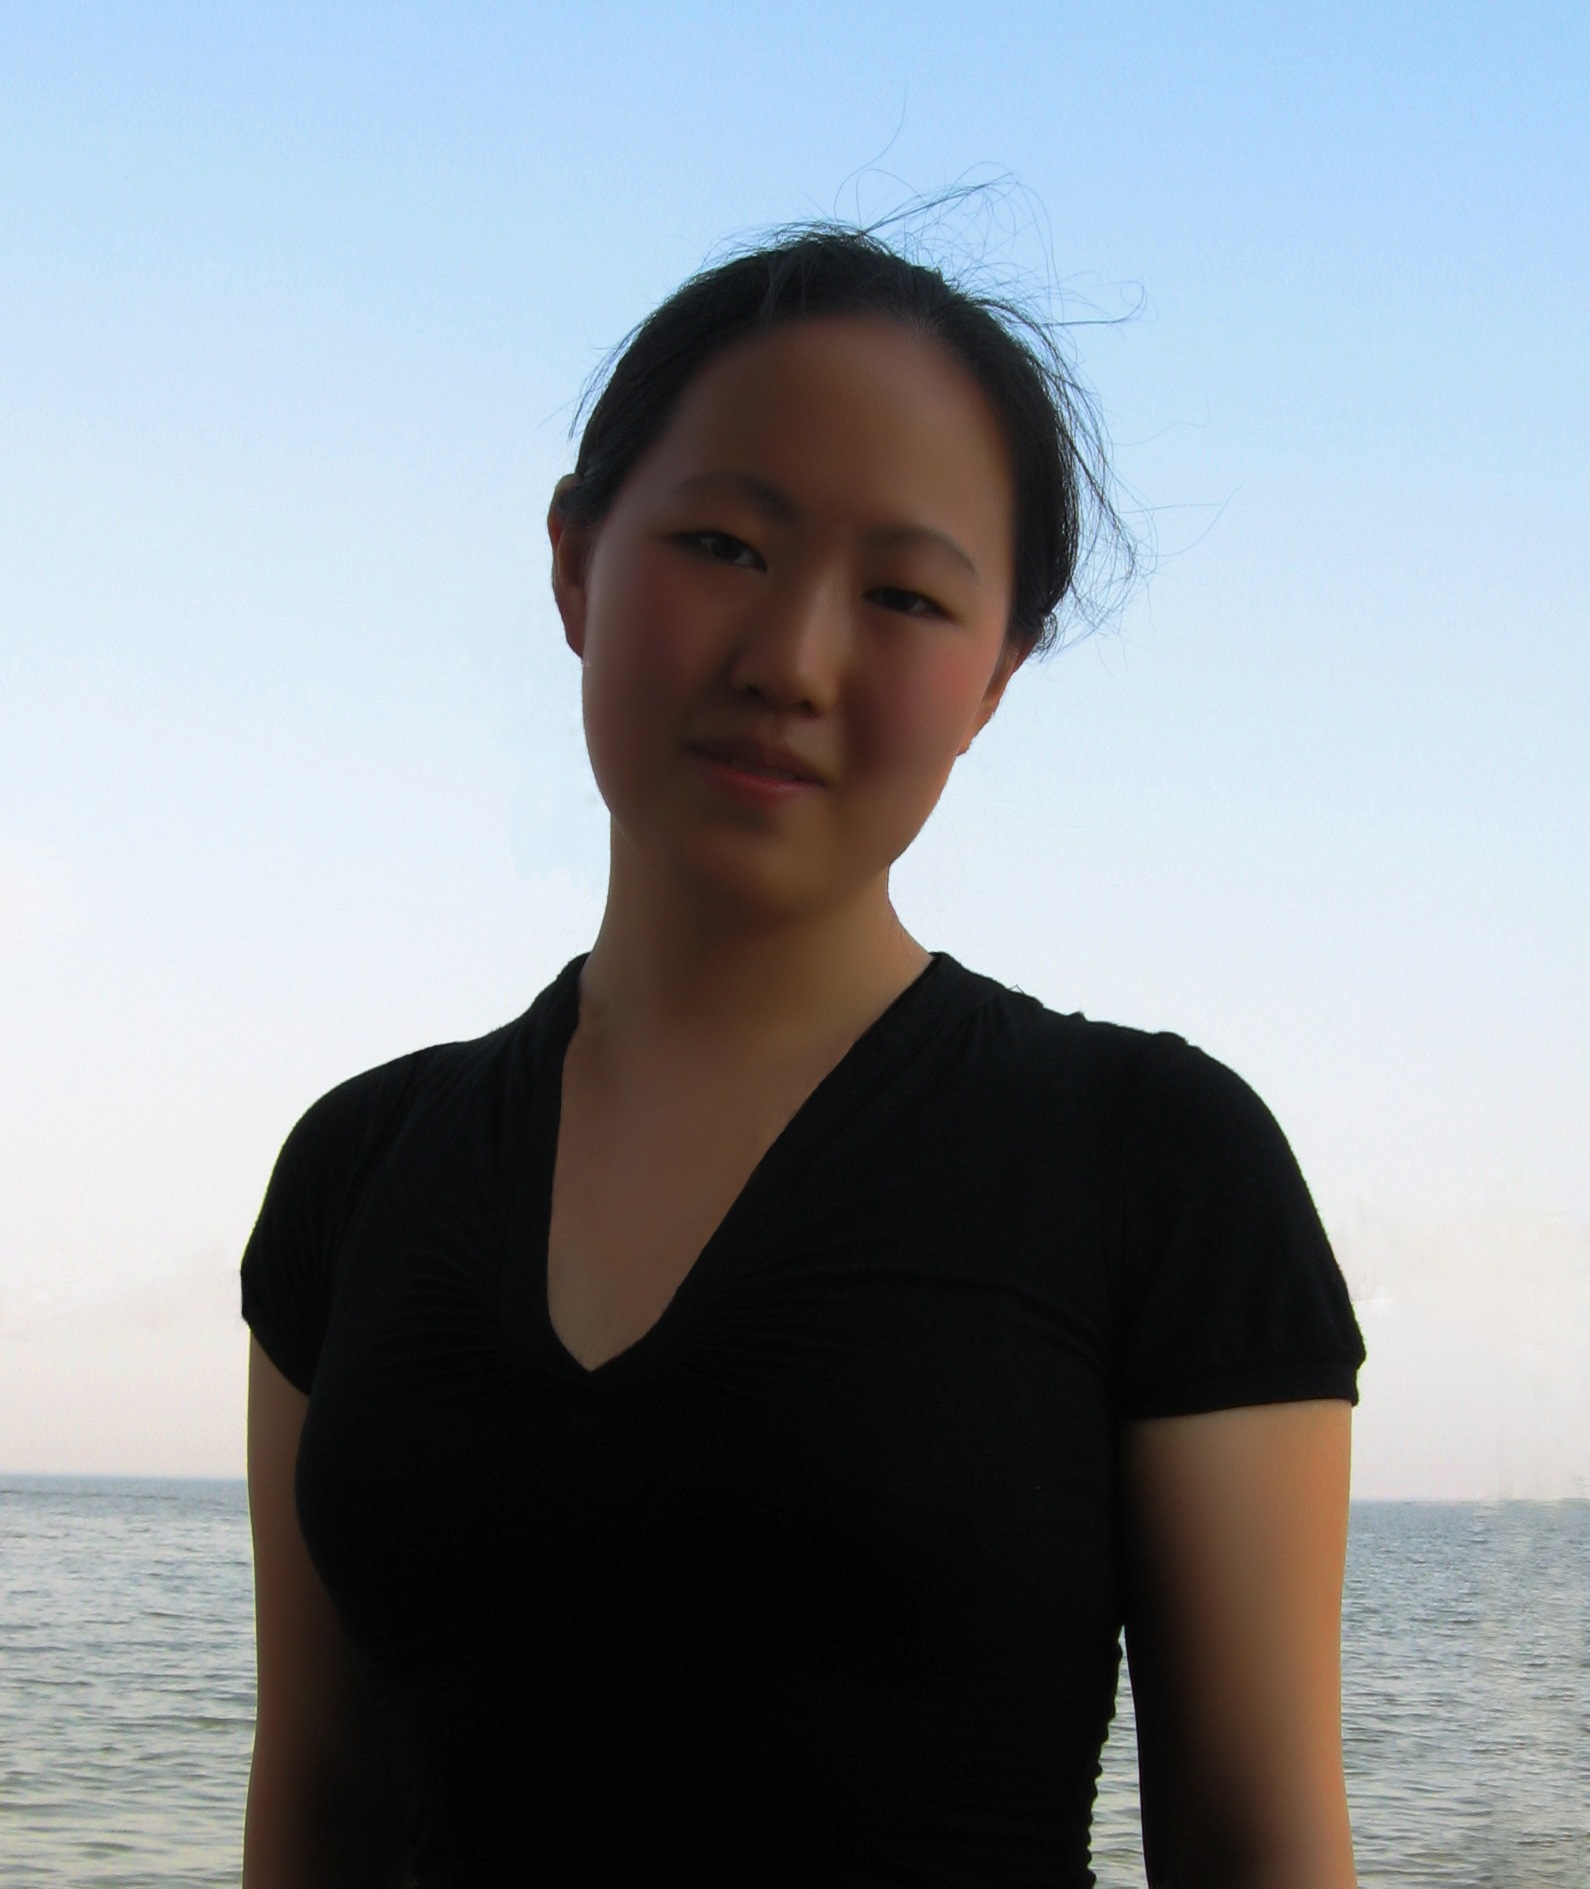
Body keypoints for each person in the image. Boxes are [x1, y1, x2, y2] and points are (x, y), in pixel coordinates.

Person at [240, 225, 1365, 1888]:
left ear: (993, 676)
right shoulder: (357, 1168)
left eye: (905, 594)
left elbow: (1255, 1842)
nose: (790, 661)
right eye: (723, 544)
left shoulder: (1154, 1158)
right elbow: (315, 1812)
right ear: (574, 562)